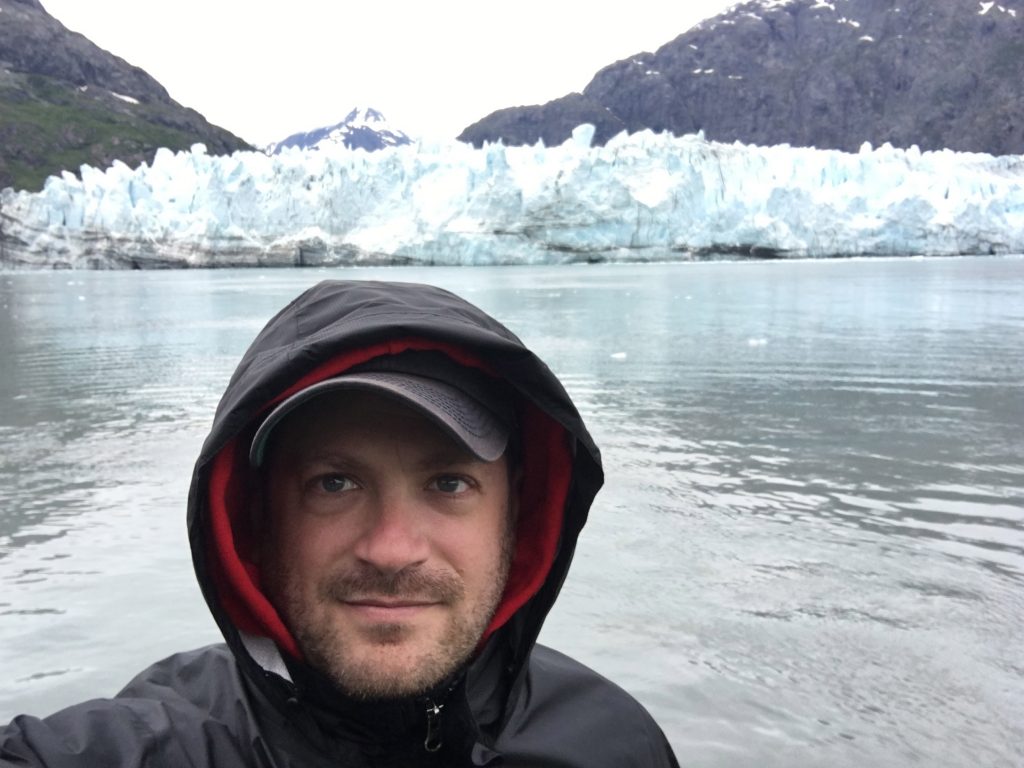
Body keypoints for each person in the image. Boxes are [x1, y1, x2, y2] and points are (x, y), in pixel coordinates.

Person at [0, 280, 679, 767]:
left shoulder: (611, 745)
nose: (390, 548)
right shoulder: (168, 741)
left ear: (517, 515)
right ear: (259, 523)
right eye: (335, 483)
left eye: (448, 483)